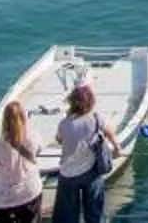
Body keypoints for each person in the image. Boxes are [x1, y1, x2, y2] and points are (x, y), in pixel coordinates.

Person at [54, 82, 118, 223]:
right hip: (91, 172)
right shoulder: (95, 119)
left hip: (68, 174)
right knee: (94, 213)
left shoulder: (64, 123)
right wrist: (117, 148)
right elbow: (110, 133)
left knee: (67, 216)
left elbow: (59, 139)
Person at [0, 103, 45, 223]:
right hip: (30, 191)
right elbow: (39, 150)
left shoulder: (0, 146)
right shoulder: (33, 135)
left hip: (6, 197)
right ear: (23, 117)